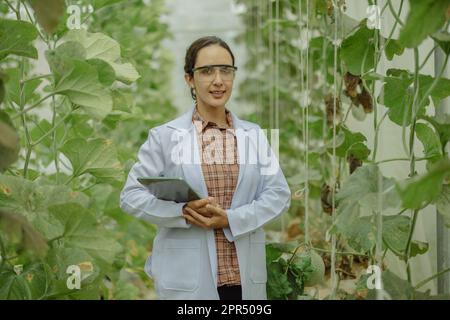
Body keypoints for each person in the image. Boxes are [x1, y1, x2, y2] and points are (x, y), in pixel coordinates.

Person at [119, 36, 291, 300]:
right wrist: (181, 212)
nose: (218, 80)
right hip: (187, 280)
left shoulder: (254, 135)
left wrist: (232, 219)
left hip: (242, 278)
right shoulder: (165, 136)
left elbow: (278, 194)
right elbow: (131, 196)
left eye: (226, 70)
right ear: (190, 79)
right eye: (207, 71)